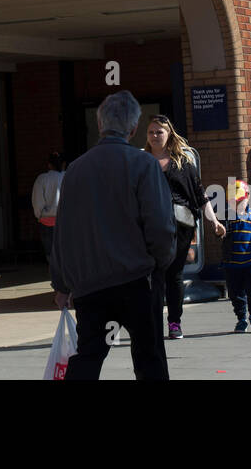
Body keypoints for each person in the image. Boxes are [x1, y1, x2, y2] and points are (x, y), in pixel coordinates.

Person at [51, 90, 174, 380]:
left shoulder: (75, 171)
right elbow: (159, 225)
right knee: (149, 356)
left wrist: (62, 283)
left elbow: (63, 232)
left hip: (90, 284)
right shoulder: (143, 164)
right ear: (133, 129)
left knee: (89, 356)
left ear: (99, 122)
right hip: (136, 280)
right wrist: (161, 263)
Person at [145, 115, 225, 339]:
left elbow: (200, 195)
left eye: (159, 132)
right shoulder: (141, 161)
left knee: (173, 274)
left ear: (169, 134)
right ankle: (153, 324)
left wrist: (214, 221)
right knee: (153, 276)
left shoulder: (182, 161)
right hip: (151, 226)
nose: (154, 136)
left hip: (180, 225)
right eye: (151, 132)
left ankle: (174, 323)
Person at [220, 180, 251, 332]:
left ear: (247, 196)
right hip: (232, 263)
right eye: (233, 200)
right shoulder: (226, 217)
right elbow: (220, 235)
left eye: (239, 200)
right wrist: (219, 231)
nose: (236, 203)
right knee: (235, 292)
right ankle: (241, 318)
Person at [31, 153, 63, 263]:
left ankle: (53, 274)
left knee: (50, 253)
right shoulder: (68, 176)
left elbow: (37, 200)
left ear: (49, 165)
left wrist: (39, 215)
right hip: (64, 220)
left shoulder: (42, 179)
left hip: (46, 221)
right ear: (63, 164)